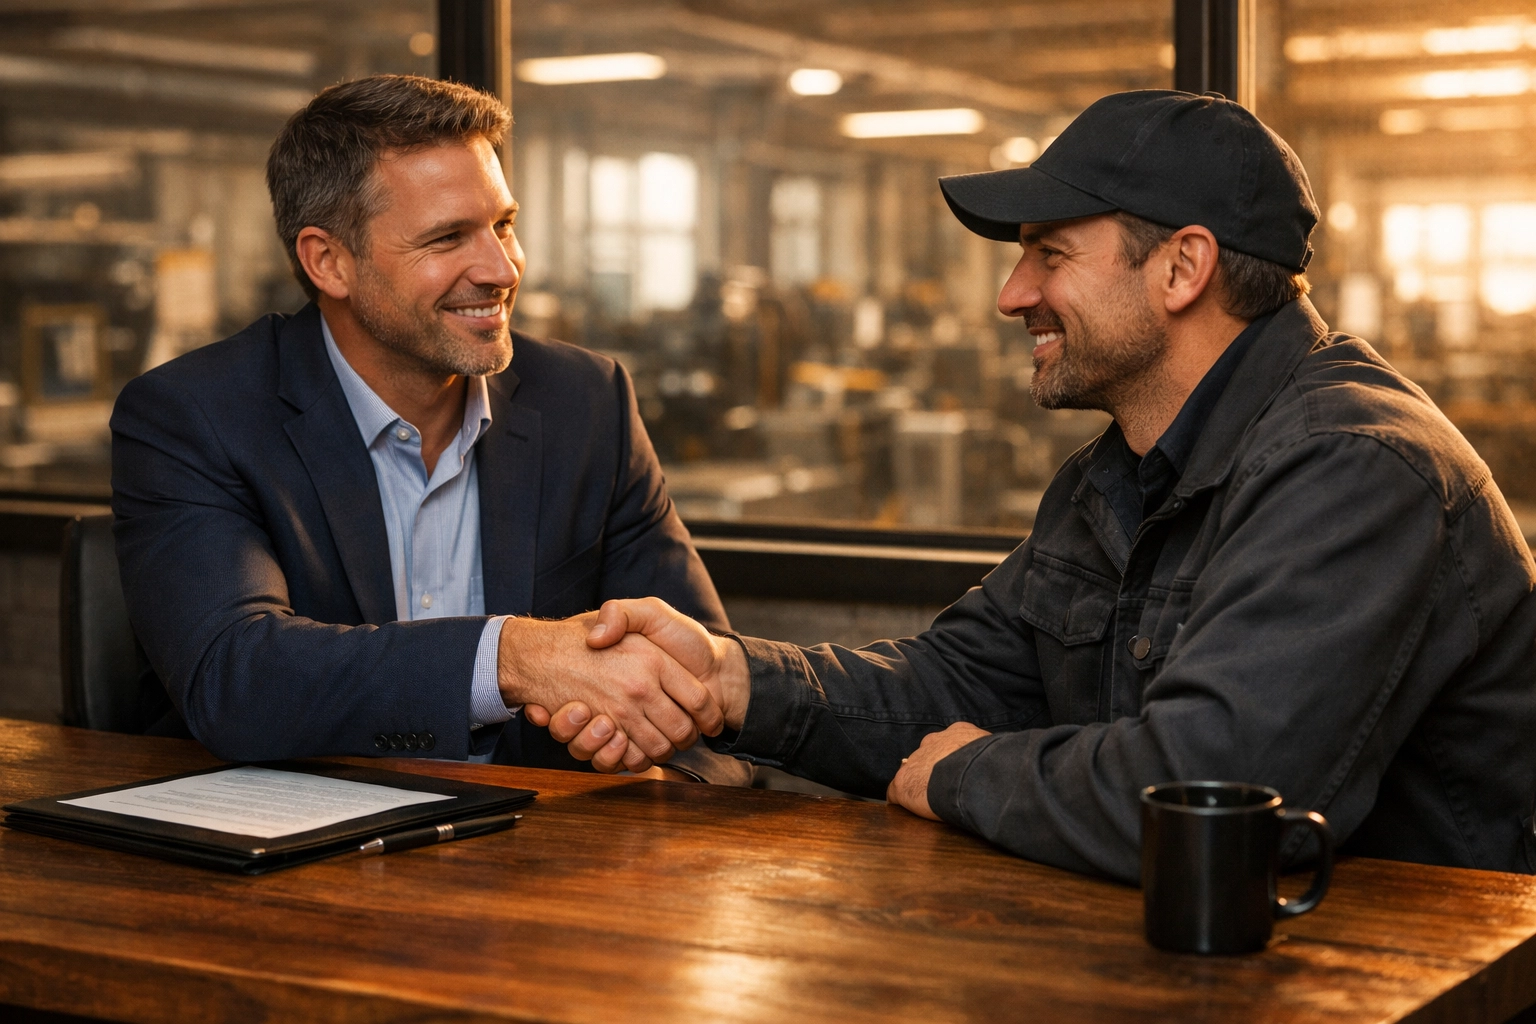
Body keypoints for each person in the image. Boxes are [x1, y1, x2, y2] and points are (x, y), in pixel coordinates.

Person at [545, 90, 1536, 881]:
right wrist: (729, 679)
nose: (1011, 294)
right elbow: (953, 682)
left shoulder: (1357, 466)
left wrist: (964, 774)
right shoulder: (1112, 477)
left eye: (1050, 253)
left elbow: (1211, 795)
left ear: (1183, 267)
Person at [111, 74, 743, 781]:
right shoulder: (195, 415)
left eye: (502, 224)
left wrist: (665, 782)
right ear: (329, 261)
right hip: (297, 856)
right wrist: (510, 658)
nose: (502, 268)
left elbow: (701, 681)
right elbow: (238, 677)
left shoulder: (587, 402)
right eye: (447, 238)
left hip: (544, 855)